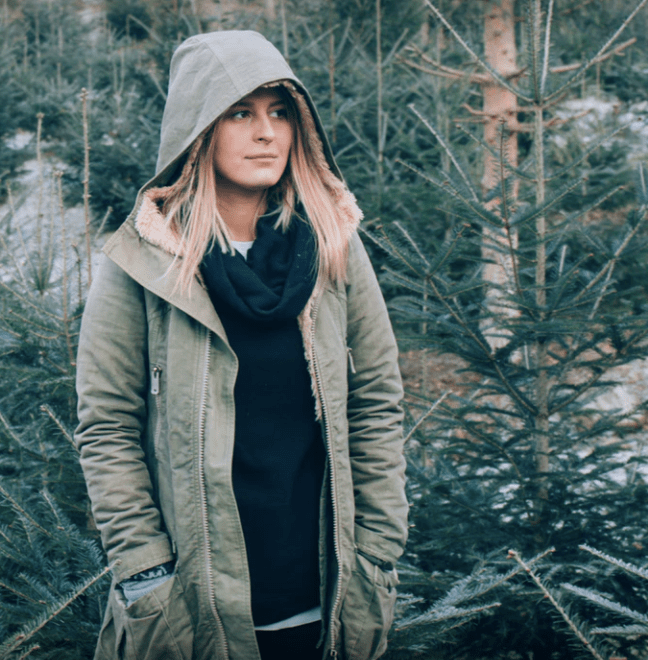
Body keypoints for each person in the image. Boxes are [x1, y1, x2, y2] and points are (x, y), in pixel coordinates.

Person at [75, 30, 408, 660]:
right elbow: (108, 427)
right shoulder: (142, 262)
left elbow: (377, 402)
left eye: (281, 113)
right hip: (194, 606)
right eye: (240, 113)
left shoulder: (333, 246)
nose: (267, 133)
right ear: (199, 131)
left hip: (329, 594)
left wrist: (377, 549)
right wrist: (146, 570)